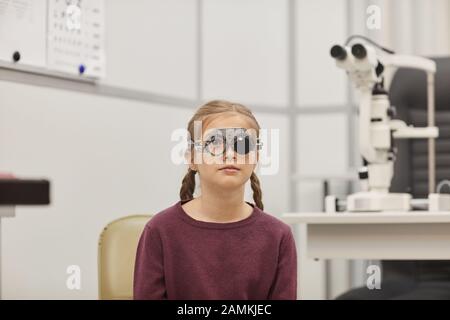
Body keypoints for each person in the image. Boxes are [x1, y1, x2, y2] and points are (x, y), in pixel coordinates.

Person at [133, 100, 297, 299]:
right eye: (214, 143)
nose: (230, 154)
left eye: (242, 144)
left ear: (255, 158)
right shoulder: (160, 230)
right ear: (192, 158)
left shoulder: (279, 236)